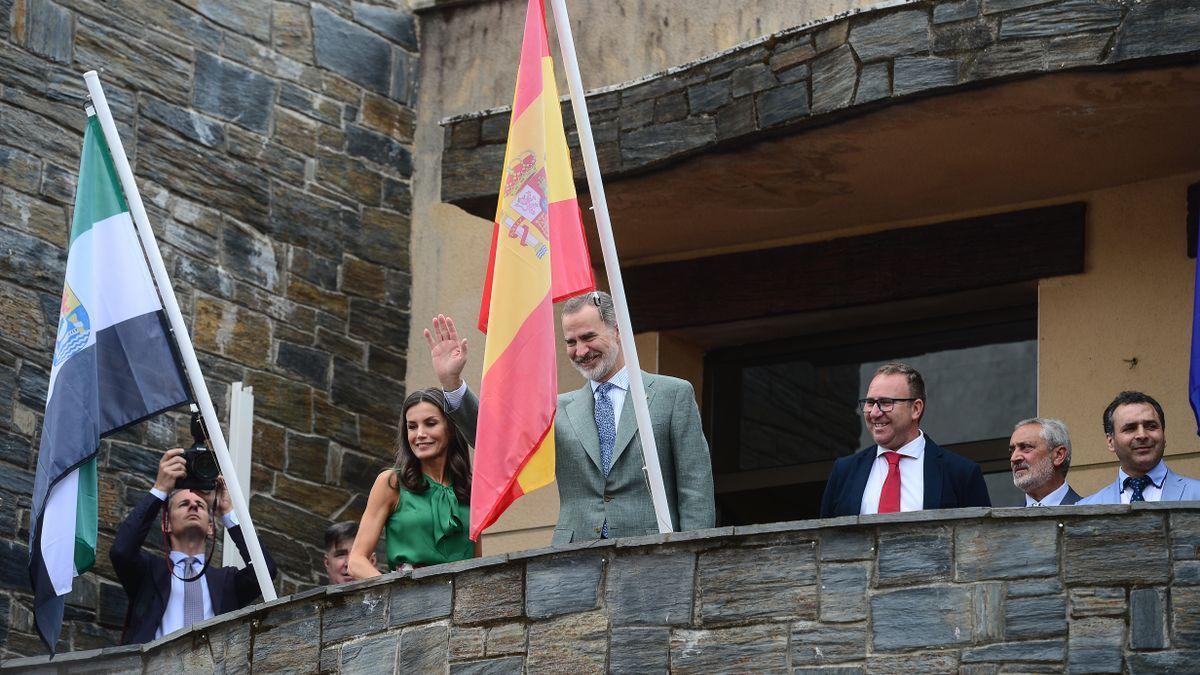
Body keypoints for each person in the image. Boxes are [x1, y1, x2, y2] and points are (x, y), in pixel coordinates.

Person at [428, 291, 716, 544]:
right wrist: (453, 383)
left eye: (589, 337)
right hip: (574, 558)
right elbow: (497, 441)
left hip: (653, 551)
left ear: (617, 331)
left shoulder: (672, 394)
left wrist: (691, 553)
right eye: (571, 342)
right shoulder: (557, 410)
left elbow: (695, 488)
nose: (580, 351)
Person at [109, 447, 277, 645]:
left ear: (210, 528)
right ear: (167, 524)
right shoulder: (148, 573)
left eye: (201, 505)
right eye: (183, 504)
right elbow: (121, 551)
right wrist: (161, 489)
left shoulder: (226, 582)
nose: (193, 506)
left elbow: (265, 571)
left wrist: (227, 512)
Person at [820, 362, 991, 517]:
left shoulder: (961, 473)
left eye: (886, 402)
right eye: (870, 403)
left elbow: (980, 543)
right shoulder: (844, 471)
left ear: (916, 409)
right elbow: (826, 542)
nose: (874, 413)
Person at [348, 389, 475, 578]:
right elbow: (356, 562)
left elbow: (477, 562)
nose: (420, 434)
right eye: (412, 426)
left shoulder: (471, 488)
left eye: (430, 424)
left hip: (464, 598)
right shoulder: (391, 482)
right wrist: (394, 595)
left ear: (451, 429)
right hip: (409, 598)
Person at [1078, 391, 1200, 504]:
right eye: (1130, 428)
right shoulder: (1083, 509)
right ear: (1111, 442)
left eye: (1151, 426)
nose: (1142, 435)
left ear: (1164, 435)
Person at [1009, 417, 1081, 506]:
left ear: (1059, 455)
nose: (1013, 458)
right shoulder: (1005, 519)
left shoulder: (1091, 513)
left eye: (1026, 447)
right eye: (1011, 451)